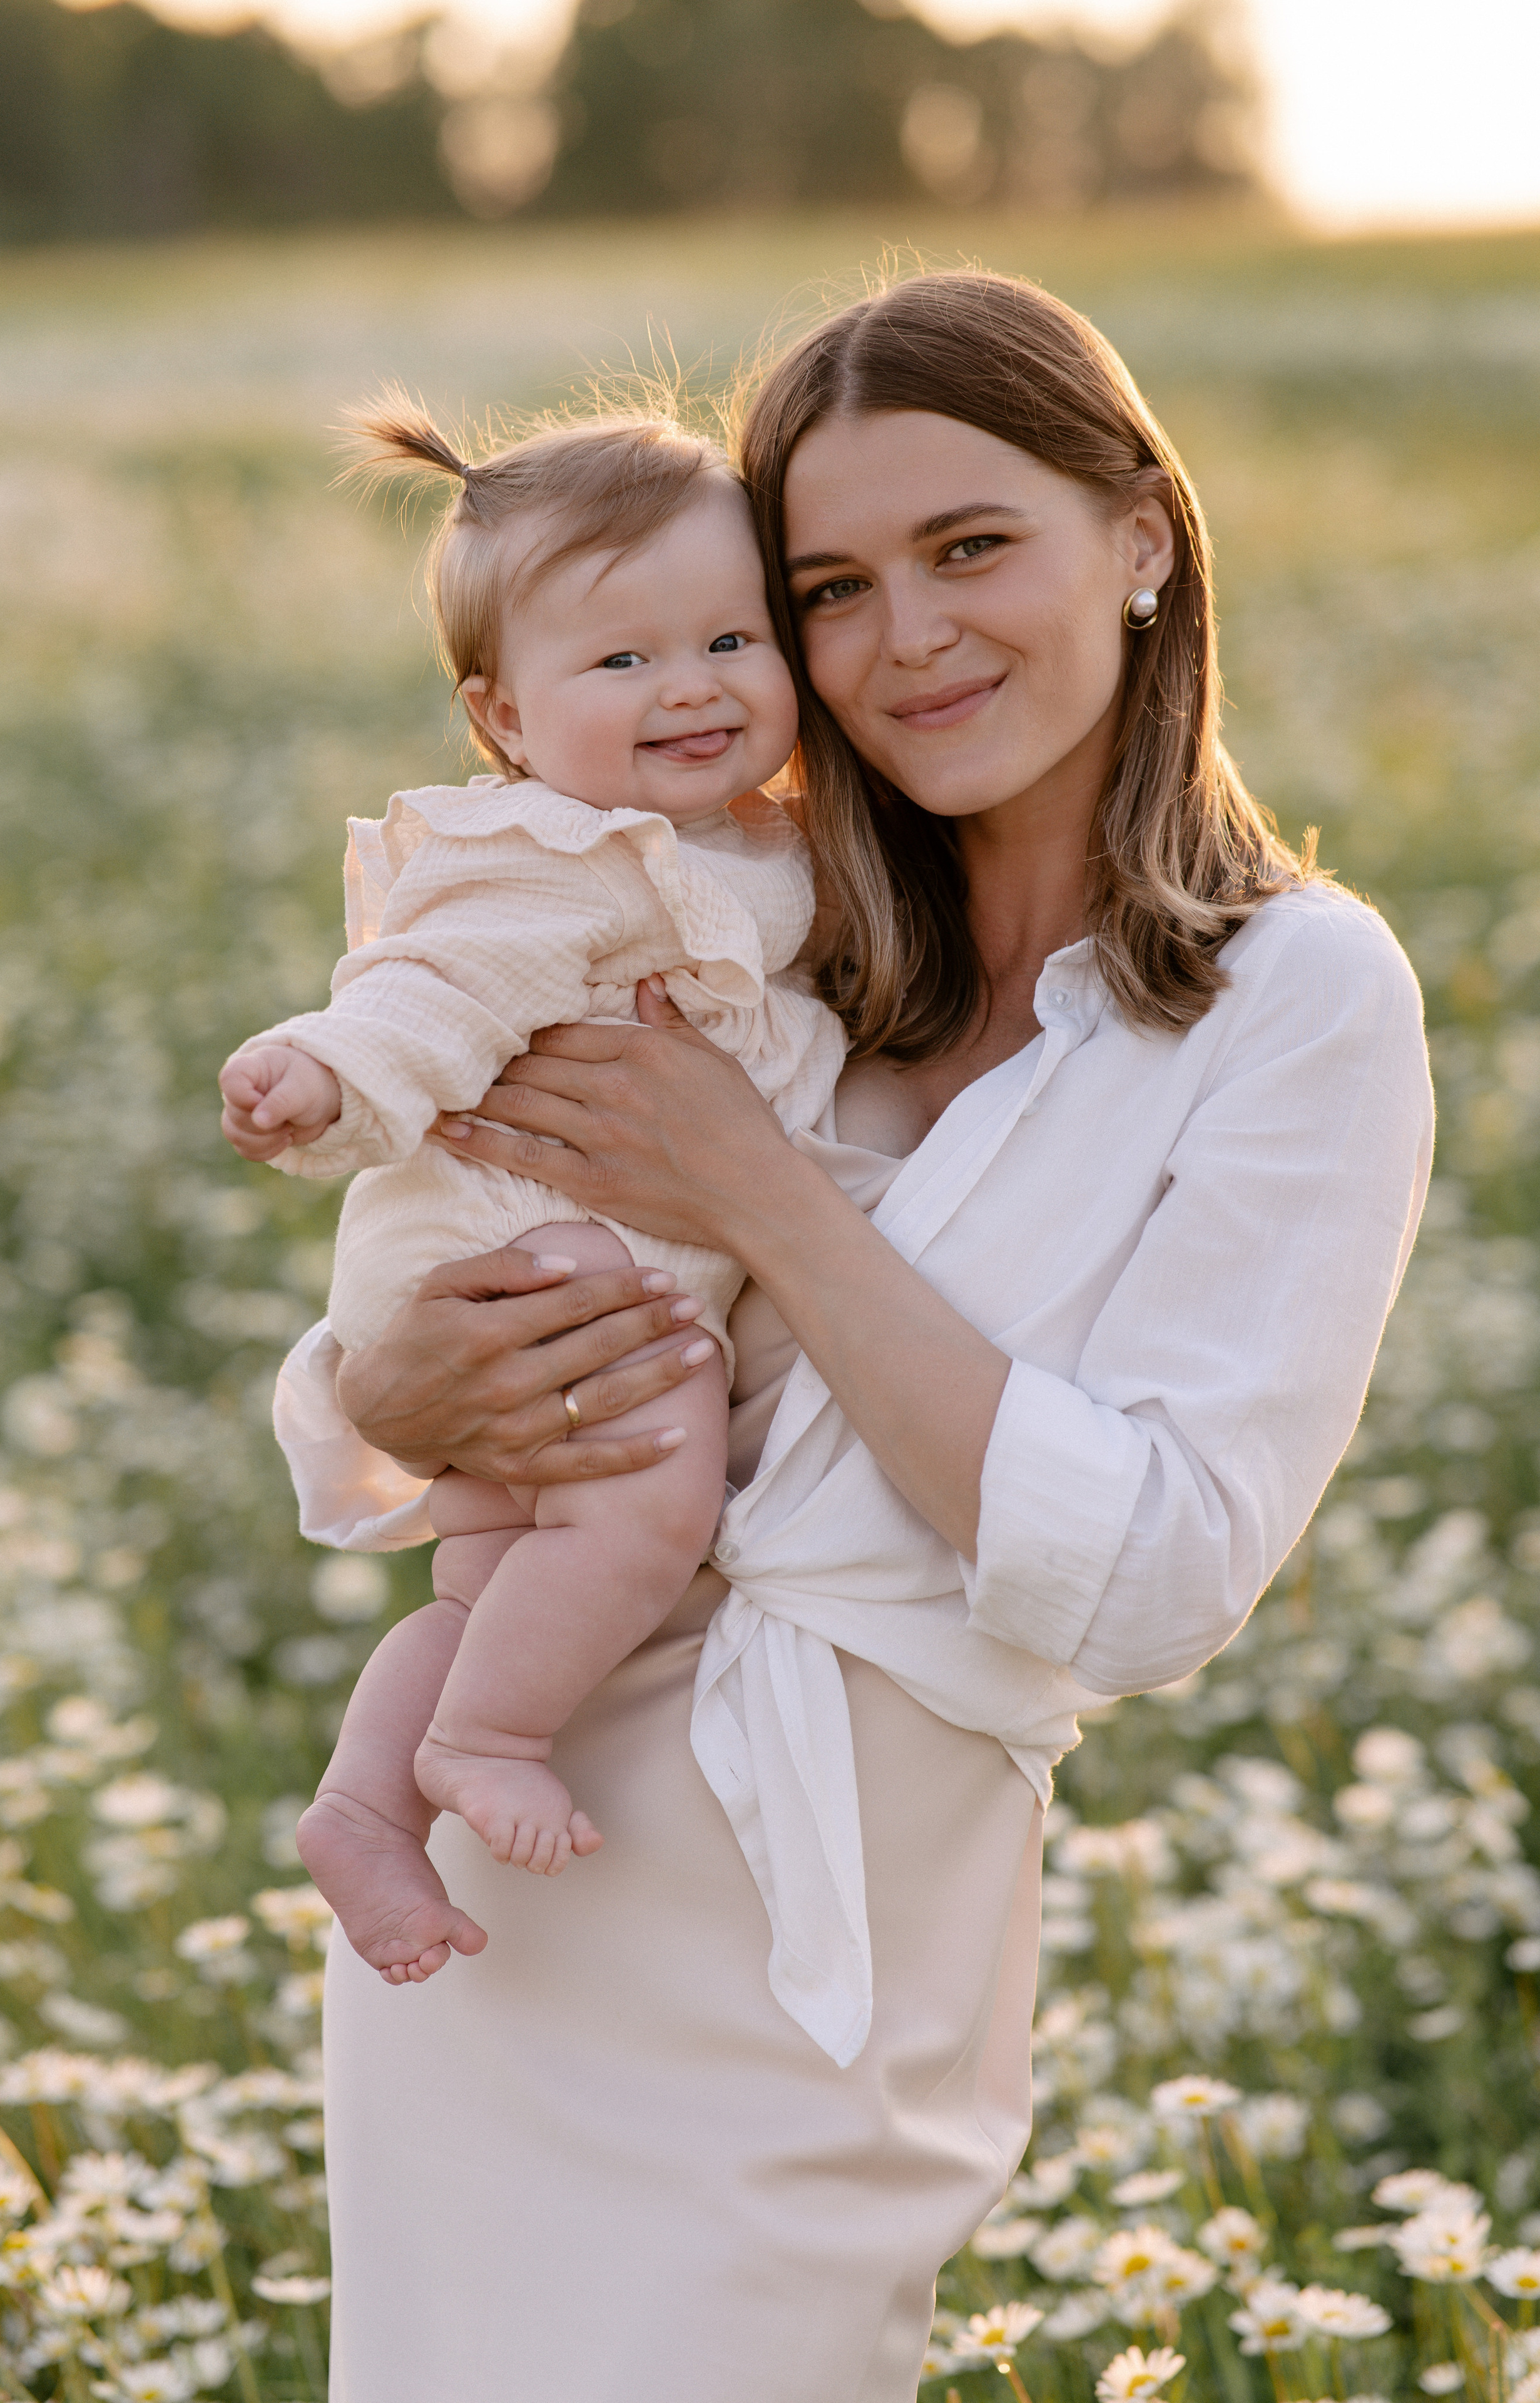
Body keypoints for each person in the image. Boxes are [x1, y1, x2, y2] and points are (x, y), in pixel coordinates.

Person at [272, 272, 1434, 2402]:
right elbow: (450, 1233)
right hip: (507, 1880)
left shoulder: (1296, 995)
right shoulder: (738, 916)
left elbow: (1161, 1579)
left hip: (825, 1939)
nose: (909, 639)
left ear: (1142, 534)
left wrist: (769, 1200)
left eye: (970, 547)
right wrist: (380, 1399)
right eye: (831, 587)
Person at [218, 404, 845, 1982]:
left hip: (537, 1265)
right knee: (654, 1496)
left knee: (489, 1576)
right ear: (501, 718)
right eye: (622, 660)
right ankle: (485, 1740)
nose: (689, 686)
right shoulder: (558, 852)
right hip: (533, 1263)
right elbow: (431, 985)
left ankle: (362, 1809)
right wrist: (327, 1072)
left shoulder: (745, 840)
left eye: (730, 639)